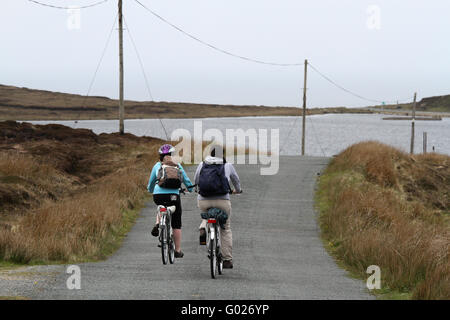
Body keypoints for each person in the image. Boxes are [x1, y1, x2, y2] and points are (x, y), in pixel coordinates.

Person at [194, 146, 242, 269]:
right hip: (222, 200)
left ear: (211, 153)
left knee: (207, 215)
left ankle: (203, 226)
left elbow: (196, 179)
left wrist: (196, 190)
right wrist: (237, 190)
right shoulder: (227, 165)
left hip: (204, 200)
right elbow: (236, 180)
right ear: (223, 154)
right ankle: (227, 259)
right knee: (225, 228)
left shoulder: (203, 164)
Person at [147, 144, 194, 258]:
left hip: (158, 196)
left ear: (160, 156)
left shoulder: (157, 166)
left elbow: (151, 182)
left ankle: (158, 223)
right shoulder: (177, 166)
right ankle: (177, 251)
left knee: (161, 206)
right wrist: (190, 189)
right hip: (173, 196)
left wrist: (151, 190)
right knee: (176, 223)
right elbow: (186, 180)